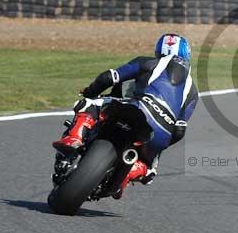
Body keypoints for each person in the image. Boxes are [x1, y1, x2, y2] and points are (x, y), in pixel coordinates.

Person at [53, 33, 198, 198]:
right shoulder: (192, 91)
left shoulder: (147, 62)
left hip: (139, 107)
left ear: (159, 50)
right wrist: (157, 148)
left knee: (89, 104)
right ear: (187, 54)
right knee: (149, 169)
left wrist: (89, 92)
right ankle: (127, 175)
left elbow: (109, 77)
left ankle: (75, 137)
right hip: (161, 132)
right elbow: (179, 131)